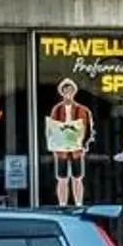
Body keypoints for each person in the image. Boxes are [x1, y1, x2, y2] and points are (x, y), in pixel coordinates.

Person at [42, 81, 93, 209]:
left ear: (74, 92)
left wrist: (83, 144)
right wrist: (53, 144)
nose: (68, 94)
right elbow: (52, 128)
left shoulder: (82, 110)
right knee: (62, 178)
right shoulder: (57, 109)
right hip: (61, 149)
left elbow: (88, 128)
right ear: (62, 93)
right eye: (65, 91)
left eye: (70, 91)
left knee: (77, 177)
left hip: (76, 148)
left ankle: (78, 203)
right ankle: (62, 204)